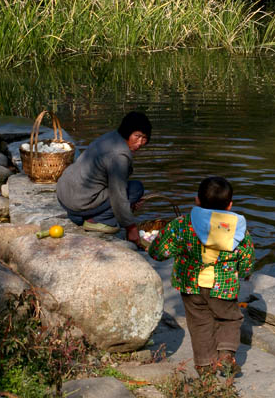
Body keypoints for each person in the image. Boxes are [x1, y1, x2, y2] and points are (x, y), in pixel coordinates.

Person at [148, 176, 255, 375]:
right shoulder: (238, 231)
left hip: (191, 285)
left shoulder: (181, 224)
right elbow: (246, 256)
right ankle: (226, 356)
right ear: (230, 205)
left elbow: (159, 251)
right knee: (230, 319)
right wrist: (246, 272)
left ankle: (205, 365)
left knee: (199, 323)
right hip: (224, 286)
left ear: (197, 200)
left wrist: (151, 247)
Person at [56, 111, 151, 246]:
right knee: (136, 189)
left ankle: (81, 215)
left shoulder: (111, 137)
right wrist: (131, 228)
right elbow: (118, 195)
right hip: (78, 202)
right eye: (137, 136)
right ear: (127, 132)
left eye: (144, 138)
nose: (140, 143)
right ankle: (97, 221)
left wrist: (129, 205)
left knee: (128, 191)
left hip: (64, 194)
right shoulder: (119, 155)